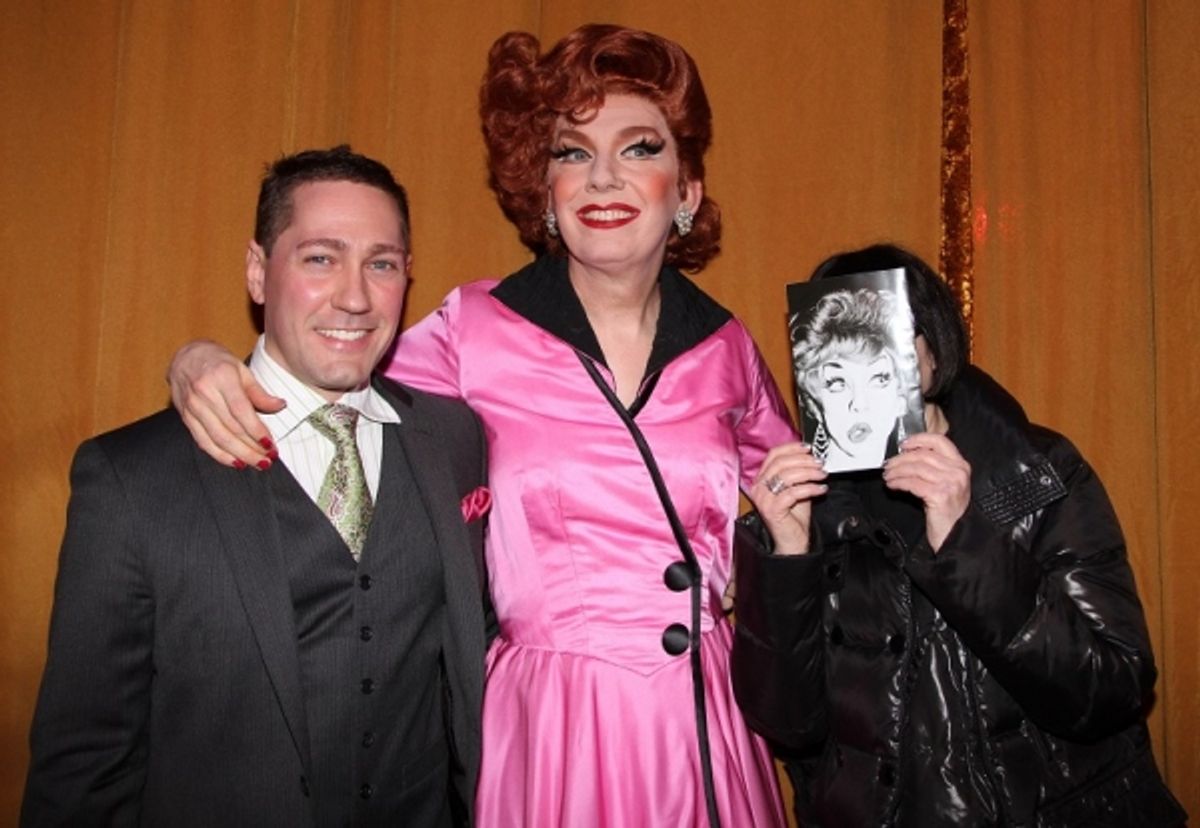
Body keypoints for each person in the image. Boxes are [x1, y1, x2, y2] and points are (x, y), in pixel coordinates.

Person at [166, 24, 792, 827]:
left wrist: (756, 554)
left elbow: (807, 487)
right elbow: (330, 387)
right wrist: (196, 360)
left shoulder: (726, 345)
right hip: (549, 723)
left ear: (687, 191)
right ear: (544, 192)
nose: (604, 176)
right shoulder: (475, 326)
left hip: (705, 726)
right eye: (572, 152)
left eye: (639, 149)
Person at [22, 146, 490, 827]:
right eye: (320, 258)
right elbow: (85, 761)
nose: (355, 297)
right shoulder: (132, 478)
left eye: (381, 263)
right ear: (257, 271)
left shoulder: (454, 442)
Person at [734, 244, 1187, 826]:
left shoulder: (1036, 471)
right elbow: (788, 728)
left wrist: (966, 539)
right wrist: (787, 557)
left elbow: (1111, 689)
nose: (857, 396)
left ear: (929, 353)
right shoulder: (806, 510)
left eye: (883, 360)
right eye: (833, 372)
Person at [792, 287, 918, 472]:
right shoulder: (802, 492)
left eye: (878, 379)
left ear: (900, 399)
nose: (858, 404)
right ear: (815, 405)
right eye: (837, 383)